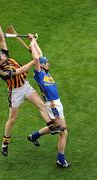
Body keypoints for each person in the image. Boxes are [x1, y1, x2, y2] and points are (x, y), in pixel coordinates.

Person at [0, 18, 64, 157]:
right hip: (15, 92)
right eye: (0, 57)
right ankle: (5, 142)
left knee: (41, 105)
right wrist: (34, 60)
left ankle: (52, 127)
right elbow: (20, 71)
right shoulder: (3, 71)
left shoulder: (5, 56)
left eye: (1, 54)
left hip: (25, 86)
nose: (2, 56)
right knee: (12, 119)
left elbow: (1, 40)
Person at [27, 34, 71, 168]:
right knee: (63, 132)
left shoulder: (46, 73)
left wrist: (33, 41)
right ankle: (60, 160)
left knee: (55, 128)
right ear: (41, 65)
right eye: (46, 62)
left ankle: (33, 136)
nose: (48, 63)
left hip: (56, 103)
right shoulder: (40, 74)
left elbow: (39, 54)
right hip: (53, 104)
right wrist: (32, 43)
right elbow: (36, 58)